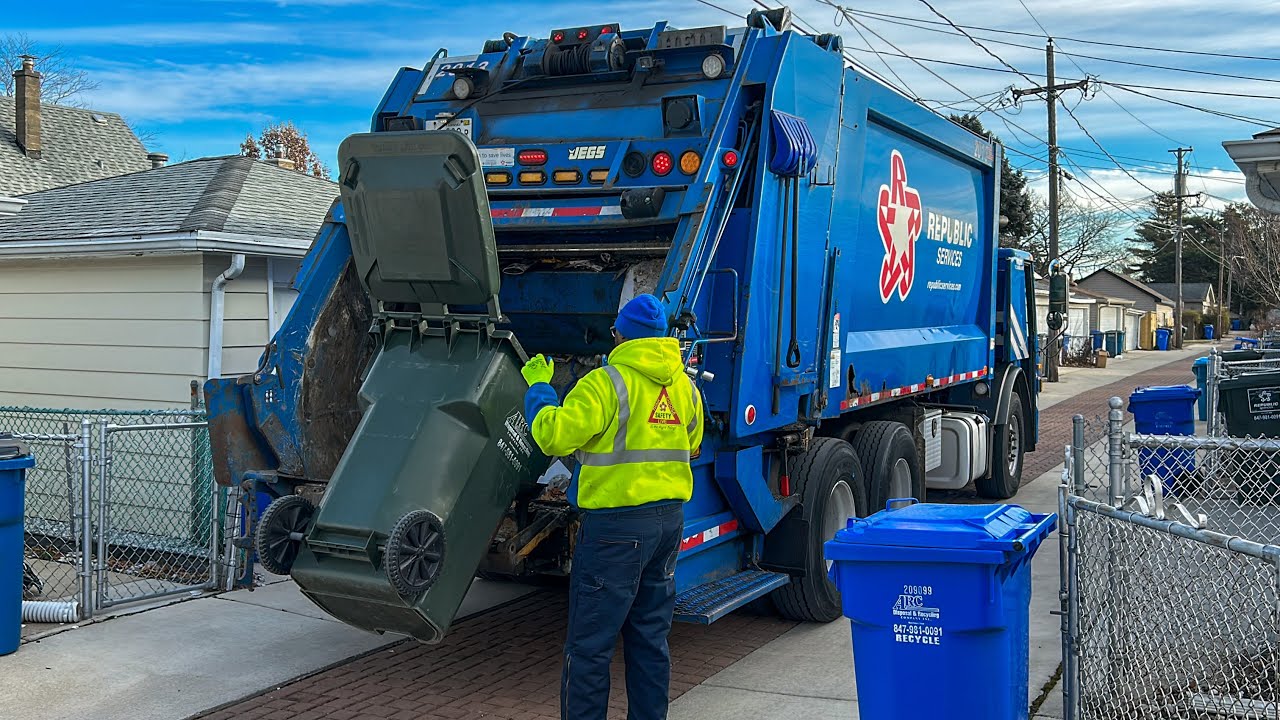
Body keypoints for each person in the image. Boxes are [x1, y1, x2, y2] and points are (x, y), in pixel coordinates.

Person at [521, 293, 703, 720]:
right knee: (650, 641)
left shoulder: (605, 383)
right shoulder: (685, 387)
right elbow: (692, 444)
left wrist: (539, 389)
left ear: (621, 335)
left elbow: (553, 436)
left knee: (590, 648)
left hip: (615, 531)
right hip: (667, 526)